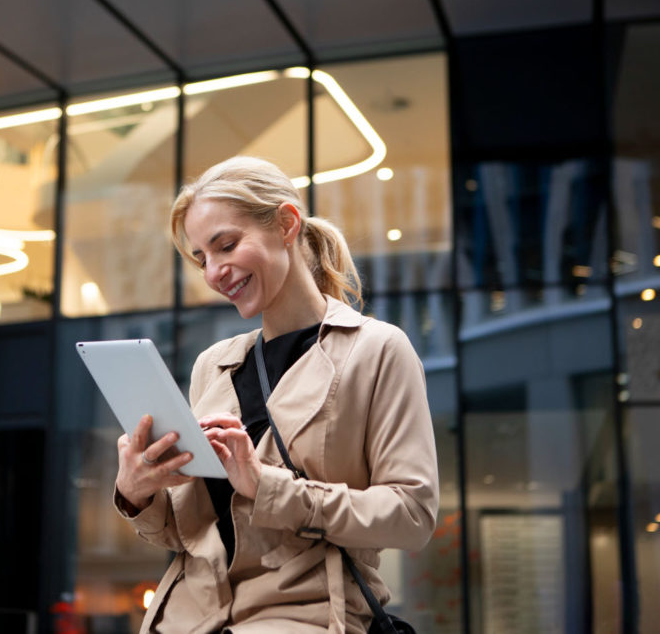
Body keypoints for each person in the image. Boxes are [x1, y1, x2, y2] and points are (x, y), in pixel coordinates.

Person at [114, 157, 439, 632]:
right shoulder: (213, 365)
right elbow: (193, 532)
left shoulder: (376, 350)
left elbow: (412, 516)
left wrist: (267, 487)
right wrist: (137, 491)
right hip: (188, 616)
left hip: (308, 614)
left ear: (286, 224)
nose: (214, 273)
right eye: (203, 258)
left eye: (226, 245)